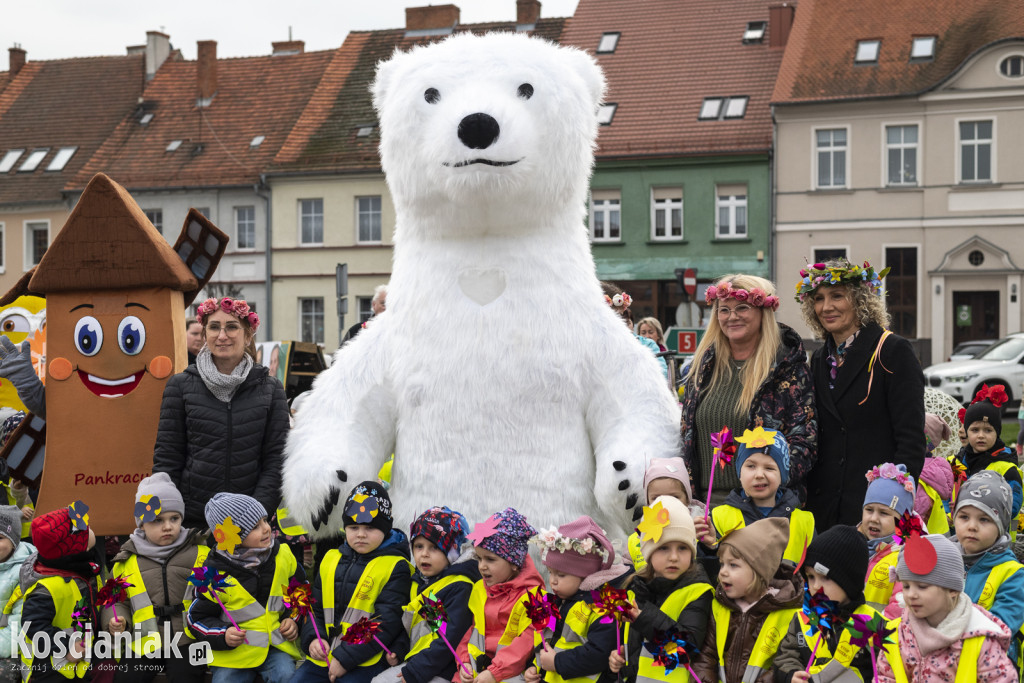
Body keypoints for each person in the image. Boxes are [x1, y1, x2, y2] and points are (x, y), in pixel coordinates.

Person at [798, 258, 925, 529]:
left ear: (860, 300)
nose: (826, 307)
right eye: (818, 299)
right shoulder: (819, 358)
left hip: (872, 509)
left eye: (837, 296)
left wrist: (892, 505)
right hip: (824, 509)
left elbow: (911, 441)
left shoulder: (892, 351)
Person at [153, 297, 289, 529]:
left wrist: (255, 513)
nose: (222, 335)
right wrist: (171, 514)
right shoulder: (181, 386)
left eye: (232, 327)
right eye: (214, 327)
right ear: (205, 334)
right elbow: (168, 457)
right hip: (193, 520)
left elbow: (276, 459)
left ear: (248, 335)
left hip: (252, 521)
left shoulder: (270, 389)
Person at [681, 275, 815, 504]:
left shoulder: (787, 368)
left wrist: (765, 483)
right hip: (703, 508)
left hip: (762, 509)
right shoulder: (704, 367)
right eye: (724, 310)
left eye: (742, 308)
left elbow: (804, 443)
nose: (732, 317)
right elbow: (686, 438)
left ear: (763, 311)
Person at [295, 482, 413, 683]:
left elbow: (384, 621)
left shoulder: (396, 566)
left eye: (370, 527)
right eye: (353, 527)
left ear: (386, 528)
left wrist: (345, 658)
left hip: (365, 659)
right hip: (324, 654)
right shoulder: (330, 558)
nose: (360, 534)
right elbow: (315, 608)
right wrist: (314, 637)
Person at [186, 493, 304, 683]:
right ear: (232, 537)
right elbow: (195, 618)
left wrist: (293, 619)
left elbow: (300, 591)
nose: (266, 528)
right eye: (255, 526)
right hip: (232, 655)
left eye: (265, 520)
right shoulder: (213, 575)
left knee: (287, 675)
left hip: (274, 647)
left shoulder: (282, 556)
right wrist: (223, 634)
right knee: (225, 680)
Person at [103, 474, 209, 683]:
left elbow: (216, 596)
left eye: (174, 518)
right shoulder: (126, 560)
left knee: (185, 677)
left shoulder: (200, 554)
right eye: (158, 520)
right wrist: (116, 621)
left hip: (189, 639)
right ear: (142, 524)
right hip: (145, 640)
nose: (168, 526)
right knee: (127, 678)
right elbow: (115, 601)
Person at [877, 534, 1016, 682]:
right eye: (906, 586)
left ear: (952, 590)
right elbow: (885, 677)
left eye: (922, 586)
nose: (911, 594)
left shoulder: (980, 638)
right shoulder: (896, 633)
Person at [609, 496, 713, 683]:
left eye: (682, 548)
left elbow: (686, 648)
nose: (674, 557)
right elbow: (639, 649)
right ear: (648, 553)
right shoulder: (634, 591)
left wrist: (643, 619)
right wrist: (622, 659)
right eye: (663, 548)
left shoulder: (698, 592)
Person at [375, 506, 479, 683]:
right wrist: (399, 649)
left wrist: (416, 671)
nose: (424, 554)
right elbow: (415, 627)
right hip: (417, 663)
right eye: (418, 546)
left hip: (444, 670)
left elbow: (448, 640)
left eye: (434, 548)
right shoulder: (420, 582)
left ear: (452, 551)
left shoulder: (459, 586)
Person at [692, 518, 801, 683]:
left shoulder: (790, 615)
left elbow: (781, 666)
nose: (723, 572)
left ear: (759, 571)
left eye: (733, 565)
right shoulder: (719, 606)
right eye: (722, 564)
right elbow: (707, 655)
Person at [525, 516, 630, 683]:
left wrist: (557, 662)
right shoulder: (559, 600)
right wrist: (534, 666)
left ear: (585, 574)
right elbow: (547, 640)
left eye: (561, 575)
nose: (552, 581)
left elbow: (599, 654)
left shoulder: (602, 608)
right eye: (550, 572)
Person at [698, 427, 814, 566]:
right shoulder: (718, 518)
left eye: (769, 468)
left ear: (782, 476)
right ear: (740, 473)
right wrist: (710, 546)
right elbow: (706, 568)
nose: (759, 475)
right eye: (751, 466)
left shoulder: (805, 523)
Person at [773, 525, 875, 682]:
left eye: (825, 578)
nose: (815, 586)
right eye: (810, 577)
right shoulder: (803, 618)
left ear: (849, 582)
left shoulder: (873, 624)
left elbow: (886, 671)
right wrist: (791, 674)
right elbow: (787, 656)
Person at [456, 508, 545, 683]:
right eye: (479, 558)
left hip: (512, 673)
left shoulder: (535, 597)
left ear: (514, 562)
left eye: (490, 559)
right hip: (477, 670)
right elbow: (471, 630)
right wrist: (463, 661)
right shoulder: (479, 589)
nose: (482, 566)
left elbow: (527, 642)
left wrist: (495, 672)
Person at [18, 505, 100, 682]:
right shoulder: (47, 588)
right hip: (50, 668)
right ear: (74, 547)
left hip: (76, 661)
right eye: (86, 530)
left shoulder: (79, 569)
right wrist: (67, 646)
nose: (91, 531)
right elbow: (33, 625)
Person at [953, 471, 1024, 666]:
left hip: (990, 666)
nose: (972, 526)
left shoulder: (1012, 573)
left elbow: (1004, 622)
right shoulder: (944, 560)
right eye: (964, 517)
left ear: (1000, 526)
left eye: (984, 519)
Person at [951, 385, 1022, 531]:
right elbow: (945, 495)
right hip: (959, 534)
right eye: (975, 430)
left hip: (996, 538)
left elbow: (1013, 506)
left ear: (997, 433)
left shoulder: (1007, 468)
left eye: (988, 430)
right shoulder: (956, 463)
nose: (981, 435)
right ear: (967, 432)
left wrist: (976, 510)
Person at [627, 458, 705, 573]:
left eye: (674, 497)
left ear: (688, 500)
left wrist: (709, 546)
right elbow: (626, 573)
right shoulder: (635, 540)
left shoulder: (701, 531)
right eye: (656, 498)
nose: (664, 503)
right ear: (648, 502)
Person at [857, 463, 915, 614]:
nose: (874, 519)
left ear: (902, 519)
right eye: (869, 510)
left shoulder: (905, 557)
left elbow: (899, 607)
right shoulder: (848, 543)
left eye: (884, 513)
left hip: (879, 627)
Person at [601, 283, 668, 379]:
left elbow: (661, 373)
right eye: (615, 316)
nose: (620, 322)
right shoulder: (592, 343)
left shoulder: (646, 344)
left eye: (621, 316)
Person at [0, 505, 34, 682]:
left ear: (14, 541)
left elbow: (19, 626)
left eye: (0, 538)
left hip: (14, 648)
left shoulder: (24, 573)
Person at [915, 413, 955, 535]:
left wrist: (896, 541)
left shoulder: (918, 473)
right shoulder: (936, 469)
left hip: (922, 540)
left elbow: (915, 517)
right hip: (940, 536)